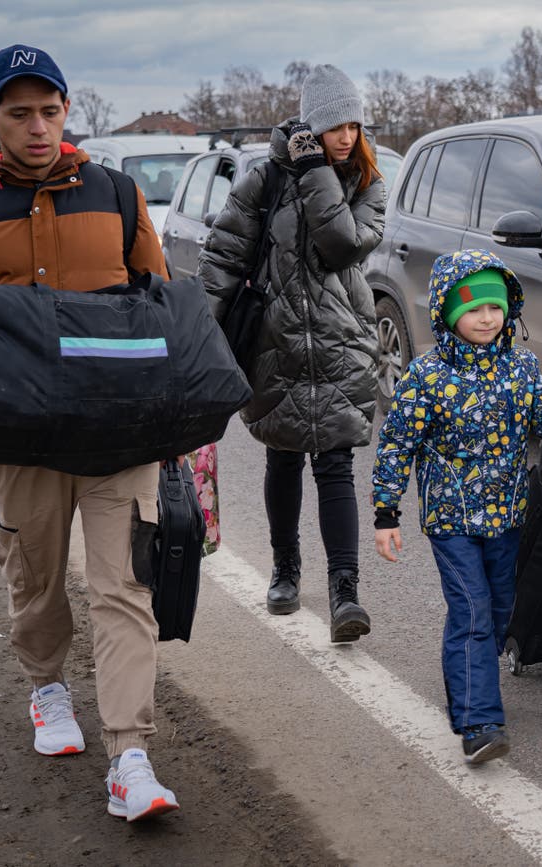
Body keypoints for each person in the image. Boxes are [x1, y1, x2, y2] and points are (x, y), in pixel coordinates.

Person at [0, 44, 181, 820]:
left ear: (68, 112)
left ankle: (130, 755)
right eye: (19, 112)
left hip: (115, 435)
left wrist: (170, 420)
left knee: (124, 586)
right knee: (33, 578)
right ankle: (48, 688)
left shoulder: (120, 195)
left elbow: (160, 314)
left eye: (50, 110)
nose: (37, 126)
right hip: (15, 437)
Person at [372, 249, 542, 762]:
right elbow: (396, 445)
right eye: (473, 308)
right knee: (473, 611)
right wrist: (385, 512)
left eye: (495, 308)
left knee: (501, 609)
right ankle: (480, 722)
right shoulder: (427, 377)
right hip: (450, 520)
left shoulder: (521, 368)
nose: (486, 318)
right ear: (447, 311)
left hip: (506, 517)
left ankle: (470, 687)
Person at [199, 64, 385, 641]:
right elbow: (225, 258)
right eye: (334, 125)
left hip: (340, 342)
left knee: (334, 464)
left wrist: (314, 171)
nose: (347, 137)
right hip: (273, 342)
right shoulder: (263, 180)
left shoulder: (366, 182)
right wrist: (198, 341)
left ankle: (345, 592)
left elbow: (341, 246)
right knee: (282, 459)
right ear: (311, 123)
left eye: (353, 124)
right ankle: (285, 569)